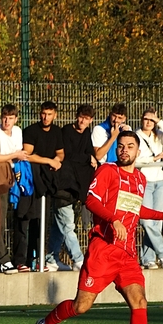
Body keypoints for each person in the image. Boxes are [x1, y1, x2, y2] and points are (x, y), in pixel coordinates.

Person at [26, 131, 163, 324]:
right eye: (120, 146)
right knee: (81, 306)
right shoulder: (107, 171)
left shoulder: (140, 179)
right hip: (103, 250)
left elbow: (134, 209)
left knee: (139, 300)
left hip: (127, 254)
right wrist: (113, 220)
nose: (124, 150)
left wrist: (160, 215)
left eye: (129, 146)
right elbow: (91, 200)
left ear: (138, 151)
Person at [45, 104, 96, 271]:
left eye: (86, 119)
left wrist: (90, 158)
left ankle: (51, 259)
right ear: (76, 116)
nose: (82, 121)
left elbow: (90, 154)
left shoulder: (87, 133)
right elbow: (68, 156)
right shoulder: (66, 131)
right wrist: (87, 158)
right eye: (81, 117)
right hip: (63, 186)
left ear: (90, 120)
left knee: (58, 225)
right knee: (67, 225)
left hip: (75, 188)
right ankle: (79, 259)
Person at [14, 101, 63, 272]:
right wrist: (48, 160)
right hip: (28, 181)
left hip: (45, 183)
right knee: (23, 219)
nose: (46, 117)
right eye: (43, 113)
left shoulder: (57, 132)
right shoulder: (31, 131)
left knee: (41, 221)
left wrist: (57, 160)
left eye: (49, 114)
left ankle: (36, 259)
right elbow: (27, 155)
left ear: (55, 115)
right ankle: (20, 261)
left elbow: (60, 153)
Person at [0, 104, 27, 273]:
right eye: (4, 117)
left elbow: (17, 155)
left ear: (16, 119)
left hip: (8, 178)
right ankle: (3, 259)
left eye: (10, 118)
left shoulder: (18, 132)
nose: (6, 121)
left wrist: (13, 160)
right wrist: (13, 156)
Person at [134, 107, 163, 269]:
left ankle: (148, 259)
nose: (148, 122)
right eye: (146, 119)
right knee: (146, 221)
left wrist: (159, 121)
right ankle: (162, 250)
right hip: (144, 182)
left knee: (157, 221)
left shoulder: (158, 136)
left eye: (151, 120)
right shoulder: (136, 136)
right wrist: (153, 159)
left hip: (160, 182)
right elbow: (135, 160)